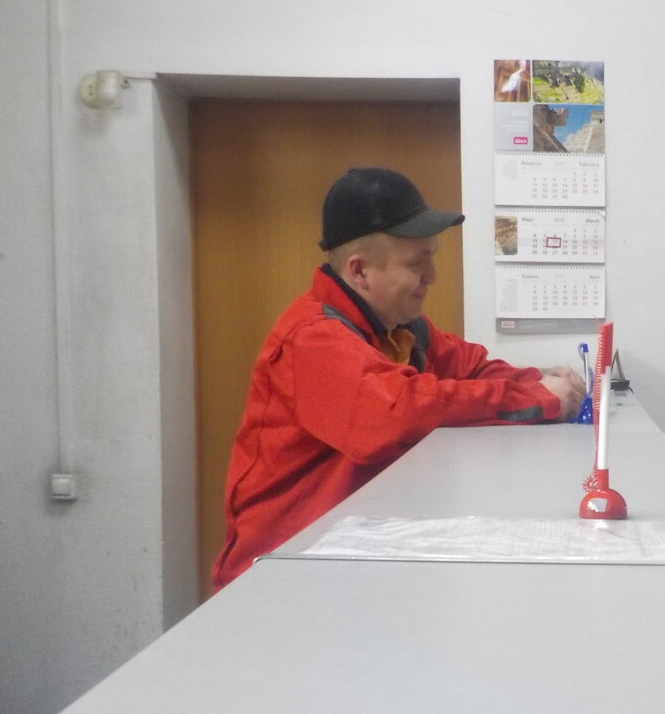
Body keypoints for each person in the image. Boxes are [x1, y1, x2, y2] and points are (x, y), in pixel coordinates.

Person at [211, 167, 587, 590]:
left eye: (431, 257)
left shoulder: (402, 330)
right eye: (415, 263)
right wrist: (537, 399)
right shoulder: (310, 339)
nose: (432, 276)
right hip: (280, 575)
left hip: (354, 557)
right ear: (359, 271)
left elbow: (472, 367)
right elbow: (395, 413)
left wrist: (539, 380)